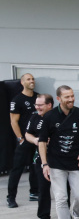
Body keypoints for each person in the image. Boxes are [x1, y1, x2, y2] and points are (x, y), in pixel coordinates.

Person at [37, 85, 79, 219]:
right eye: (67, 97)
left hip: (77, 162)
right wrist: (44, 163)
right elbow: (42, 141)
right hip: (56, 164)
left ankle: (77, 213)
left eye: (72, 96)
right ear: (58, 99)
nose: (71, 99)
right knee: (61, 199)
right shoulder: (49, 117)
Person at [8, 73, 38, 207]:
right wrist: (20, 138)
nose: (31, 81)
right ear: (22, 82)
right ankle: (11, 197)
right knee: (17, 168)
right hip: (24, 140)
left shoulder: (38, 97)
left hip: (37, 140)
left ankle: (34, 193)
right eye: (28, 79)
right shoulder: (17, 100)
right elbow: (14, 122)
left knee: (35, 167)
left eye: (32, 79)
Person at [24, 94, 54, 219]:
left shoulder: (58, 117)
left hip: (59, 159)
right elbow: (27, 134)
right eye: (36, 105)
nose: (37, 107)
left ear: (49, 105)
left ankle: (68, 212)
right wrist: (36, 140)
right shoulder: (35, 117)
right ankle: (44, 218)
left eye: (40, 105)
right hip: (40, 159)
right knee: (43, 189)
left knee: (65, 189)